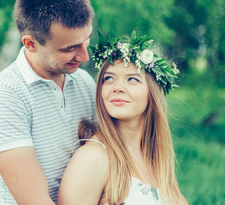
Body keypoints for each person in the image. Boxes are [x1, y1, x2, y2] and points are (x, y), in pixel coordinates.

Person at [0, 0, 96, 205]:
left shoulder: (84, 83)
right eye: (70, 48)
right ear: (30, 43)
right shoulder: (3, 97)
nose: (84, 56)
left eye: (86, 40)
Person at [58, 31, 188, 205]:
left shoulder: (155, 158)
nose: (117, 87)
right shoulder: (93, 158)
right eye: (109, 78)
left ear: (153, 93)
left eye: (132, 79)